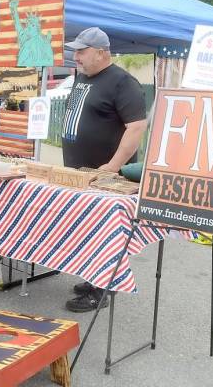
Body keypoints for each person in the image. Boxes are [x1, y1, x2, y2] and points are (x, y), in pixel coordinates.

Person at [62, 27, 147, 312]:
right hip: (79, 170)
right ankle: (93, 278)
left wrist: (112, 167)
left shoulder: (123, 82)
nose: (76, 56)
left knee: (103, 232)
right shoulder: (82, 77)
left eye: (82, 51)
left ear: (101, 52)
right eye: (75, 51)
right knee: (85, 229)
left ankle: (102, 289)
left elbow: (136, 128)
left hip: (106, 175)